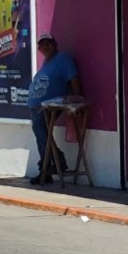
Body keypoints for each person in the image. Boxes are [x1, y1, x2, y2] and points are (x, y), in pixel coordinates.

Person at [28, 32, 81, 185]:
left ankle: (56, 160)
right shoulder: (46, 62)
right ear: (39, 49)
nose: (46, 46)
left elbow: (73, 79)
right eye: (42, 44)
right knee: (41, 137)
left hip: (49, 106)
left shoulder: (64, 60)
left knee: (40, 132)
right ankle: (46, 170)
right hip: (37, 106)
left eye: (48, 43)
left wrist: (77, 99)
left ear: (55, 44)